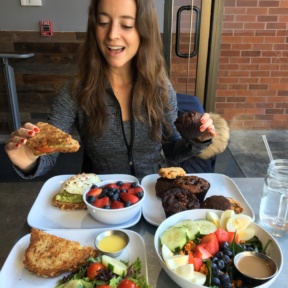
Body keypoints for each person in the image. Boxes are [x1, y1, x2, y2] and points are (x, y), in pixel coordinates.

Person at [5, 0, 216, 181]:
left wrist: (198, 141)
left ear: (144, 31)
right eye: (103, 22)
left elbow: (171, 150)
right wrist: (28, 159)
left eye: (126, 24)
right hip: (101, 200)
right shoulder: (73, 92)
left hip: (153, 193)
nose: (112, 35)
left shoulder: (159, 87)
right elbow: (47, 154)